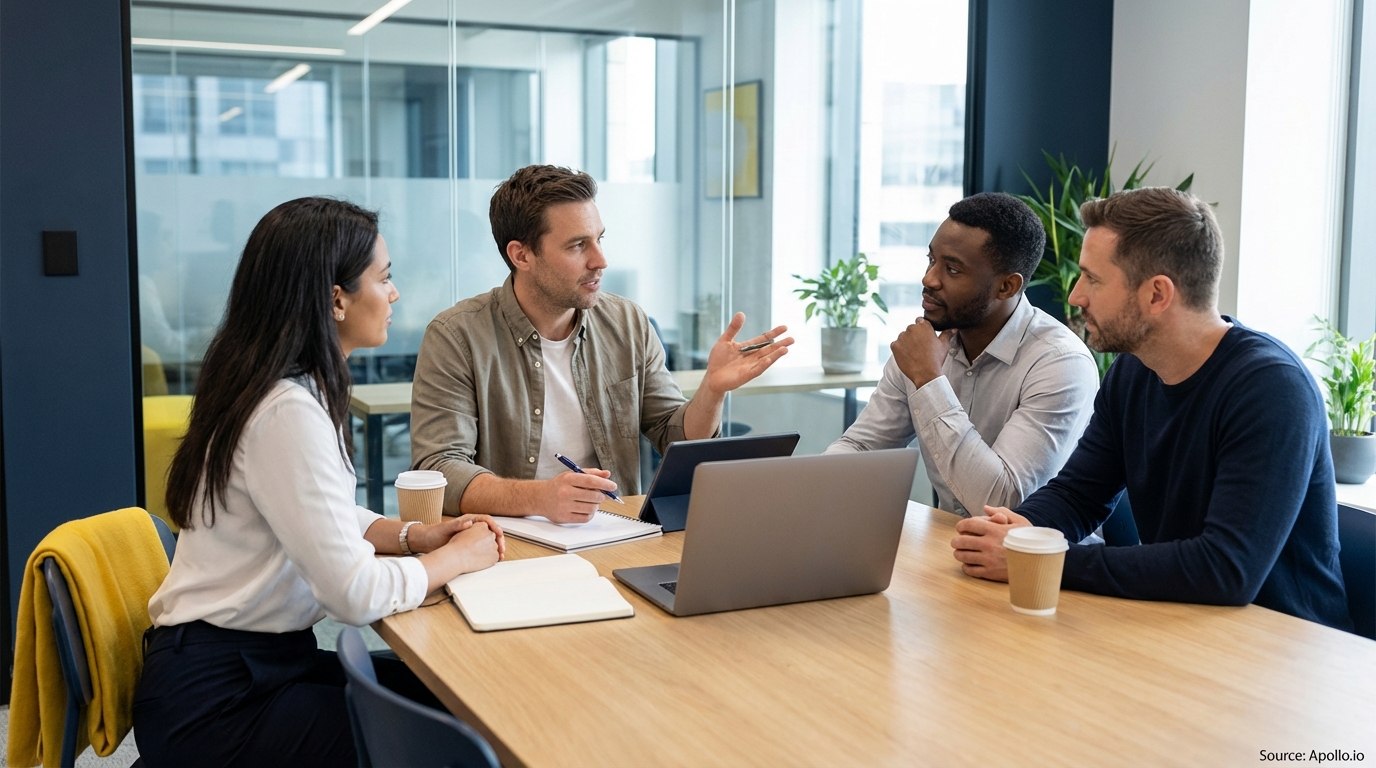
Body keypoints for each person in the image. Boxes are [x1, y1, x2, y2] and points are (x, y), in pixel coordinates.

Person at [134, 198, 508, 766]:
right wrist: (459, 558)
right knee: (454, 740)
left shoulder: (283, 386)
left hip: (251, 665)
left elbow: (318, 512)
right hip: (220, 701)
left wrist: (413, 537)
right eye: (384, 278)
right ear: (336, 299)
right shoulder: (286, 409)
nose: (395, 294)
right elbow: (352, 594)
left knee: (460, 702)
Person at [950, 187, 1351, 630]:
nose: (1075, 297)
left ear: (1157, 294)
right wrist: (1020, 528)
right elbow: (1080, 494)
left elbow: (1225, 569)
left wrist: (1043, 560)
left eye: (1093, 279)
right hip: (1185, 624)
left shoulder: (1271, 390)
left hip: (1287, 649)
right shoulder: (1133, 371)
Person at [410, 165, 793, 523]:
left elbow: (674, 436)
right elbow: (439, 467)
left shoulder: (628, 322)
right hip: (506, 542)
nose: (600, 260)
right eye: (578, 245)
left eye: (599, 239)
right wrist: (541, 497)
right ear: (521, 255)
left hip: (615, 531)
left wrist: (711, 391)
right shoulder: (456, 335)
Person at [826, 193, 1098, 517]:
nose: (929, 279)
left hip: (1036, 561)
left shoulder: (1059, 363)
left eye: (952, 269)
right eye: (931, 260)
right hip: (948, 549)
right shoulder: (925, 347)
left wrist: (929, 381)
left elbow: (1001, 504)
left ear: (1007, 287)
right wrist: (800, 489)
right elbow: (862, 448)